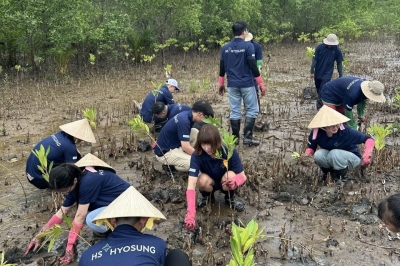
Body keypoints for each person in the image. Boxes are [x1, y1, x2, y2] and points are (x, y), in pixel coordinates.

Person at [25, 153, 130, 264]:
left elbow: (80, 215)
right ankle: (105, 229)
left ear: (74, 181)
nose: (63, 193)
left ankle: (115, 230)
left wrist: (70, 246)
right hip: (112, 204)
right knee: (85, 215)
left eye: (64, 190)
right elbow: (62, 212)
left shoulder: (88, 181)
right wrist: (40, 235)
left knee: (90, 218)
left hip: (128, 206)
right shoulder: (75, 180)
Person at [79, 186, 191, 266]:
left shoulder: (88, 255)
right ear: (143, 219)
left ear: (112, 220)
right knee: (177, 255)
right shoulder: (157, 244)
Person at [184, 124, 246, 231]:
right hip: (209, 181)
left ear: (217, 142)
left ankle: (230, 198)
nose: (207, 148)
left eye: (210, 145)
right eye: (204, 145)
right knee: (201, 180)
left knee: (230, 175)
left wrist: (235, 181)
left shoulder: (228, 151)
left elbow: (243, 176)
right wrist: (190, 214)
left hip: (225, 182)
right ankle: (208, 198)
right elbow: (191, 185)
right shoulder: (197, 155)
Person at [218, 21, 266, 146]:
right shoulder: (248, 46)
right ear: (244, 31)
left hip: (232, 85)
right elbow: (253, 66)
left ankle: (235, 139)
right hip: (247, 84)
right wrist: (261, 83)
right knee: (252, 110)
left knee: (235, 110)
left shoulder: (225, 48)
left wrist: (221, 84)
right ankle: (248, 138)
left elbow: (222, 68)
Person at [299, 106, 374, 185]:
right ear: (323, 126)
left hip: (352, 159)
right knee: (318, 155)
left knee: (334, 153)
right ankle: (329, 174)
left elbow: (368, 139)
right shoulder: (316, 133)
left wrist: (367, 153)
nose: (335, 127)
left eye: (336, 123)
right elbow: (311, 147)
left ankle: (341, 177)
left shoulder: (345, 131)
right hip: (334, 157)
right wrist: (306, 156)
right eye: (331, 125)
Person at [25, 118, 96, 189]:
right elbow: (72, 169)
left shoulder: (59, 134)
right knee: (73, 176)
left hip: (30, 173)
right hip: (38, 179)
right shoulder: (69, 146)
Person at [153, 100, 214, 172]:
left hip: (175, 143)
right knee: (195, 163)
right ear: (200, 114)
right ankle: (173, 166)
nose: (206, 121)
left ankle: (184, 156)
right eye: (206, 118)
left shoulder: (187, 115)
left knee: (195, 132)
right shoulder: (184, 121)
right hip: (165, 153)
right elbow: (185, 147)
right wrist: (203, 158)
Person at [321, 76, 385, 129]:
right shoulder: (353, 94)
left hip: (342, 95)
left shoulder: (366, 87)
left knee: (343, 121)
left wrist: (360, 115)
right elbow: (348, 111)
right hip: (329, 93)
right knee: (332, 121)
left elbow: (362, 101)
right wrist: (353, 127)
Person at [310, 33, 343, 110]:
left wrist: (341, 75)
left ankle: (319, 107)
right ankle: (321, 100)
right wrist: (312, 71)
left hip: (327, 73)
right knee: (318, 88)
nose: (330, 45)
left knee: (323, 88)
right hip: (318, 71)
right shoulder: (319, 48)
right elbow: (314, 60)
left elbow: (339, 63)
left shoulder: (337, 50)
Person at [245, 32, 263, 107]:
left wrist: (259, 69)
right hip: (244, 70)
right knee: (245, 91)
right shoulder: (242, 45)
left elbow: (259, 59)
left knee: (255, 89)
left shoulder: (256, 46)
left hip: (253, 70)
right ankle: (247, 108)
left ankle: (258, 108)